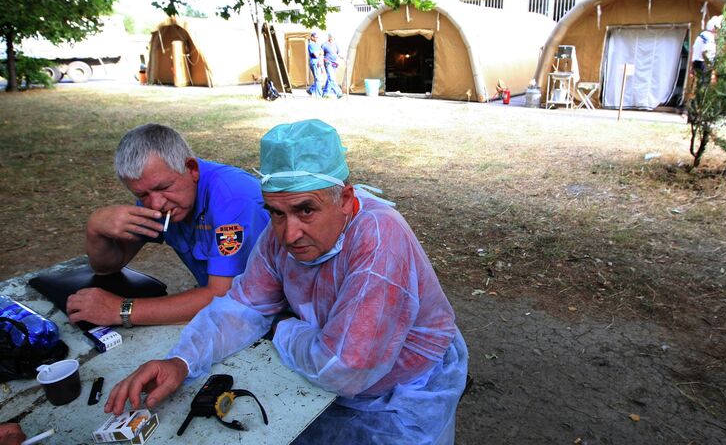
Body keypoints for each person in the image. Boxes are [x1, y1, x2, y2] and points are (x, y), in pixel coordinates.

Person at [105, 119, 469, 444]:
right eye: (276, 213)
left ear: (344, 199)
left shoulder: (378, 239)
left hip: (406, 388)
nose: (289, 233)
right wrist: (181, 361)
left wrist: (285, 330)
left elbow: (346, 367)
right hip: (324, 376)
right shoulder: (278, 237)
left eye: (305, 210)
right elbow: (242, 305)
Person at [67, 124, 270, 327]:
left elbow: (222, 295)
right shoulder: (162, 198)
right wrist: (95, 230)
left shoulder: (233, 199)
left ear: (191, 169)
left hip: (275, 317)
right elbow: (108, 266)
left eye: (164, 187)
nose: (156, 204)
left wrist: (122, 309)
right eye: (142, 195)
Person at [691, 15, 722, 80]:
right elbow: (706, 53)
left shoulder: (702, 35)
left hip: (696, 63)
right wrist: (712, 69)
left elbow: (693, 50)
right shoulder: (709, 37)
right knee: (704, 86)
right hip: (704, 65)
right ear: (714, 29)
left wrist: (692, 66)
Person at [321, 33, 343, 98]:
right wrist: (321, 62)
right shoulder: (324, 45)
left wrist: (342, 58)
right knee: (331, 77)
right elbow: (321, 54)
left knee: (330, 78)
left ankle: (325, 93)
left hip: (335, 64)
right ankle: (338, 93)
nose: (332, 38)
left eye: (333, 37)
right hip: (328, 63)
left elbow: (338, 53)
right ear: (329, 37)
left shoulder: (335, 45)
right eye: (331, 37)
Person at [306, 31, 326, 98]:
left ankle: (311, 90)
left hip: (319, 63)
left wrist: (319, 53)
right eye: (316, 37)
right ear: (312, 37)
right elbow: (315, 54)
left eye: (317, 37)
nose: (317, 38)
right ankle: (319, 95)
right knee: (318, 79)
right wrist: (319, 52)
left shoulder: (317, 44)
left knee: (318, 78)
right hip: (314, 63)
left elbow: (322, 52)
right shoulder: (311, 45)